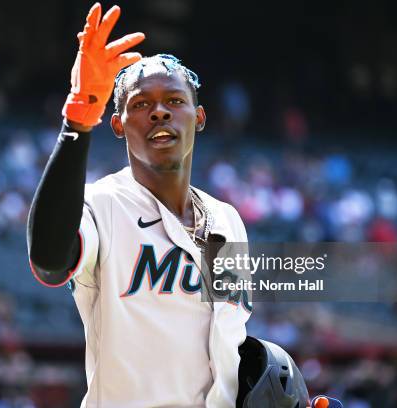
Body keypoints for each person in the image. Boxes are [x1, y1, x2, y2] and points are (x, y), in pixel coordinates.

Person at [27, 3, 251, 406]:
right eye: (141, 104)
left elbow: (226, 348)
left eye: (174, 101)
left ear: (198, 117)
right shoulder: (101, 205)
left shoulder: (227, 220)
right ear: (117, 124)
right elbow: (48, 259)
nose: (160, 111)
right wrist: (77, 119)